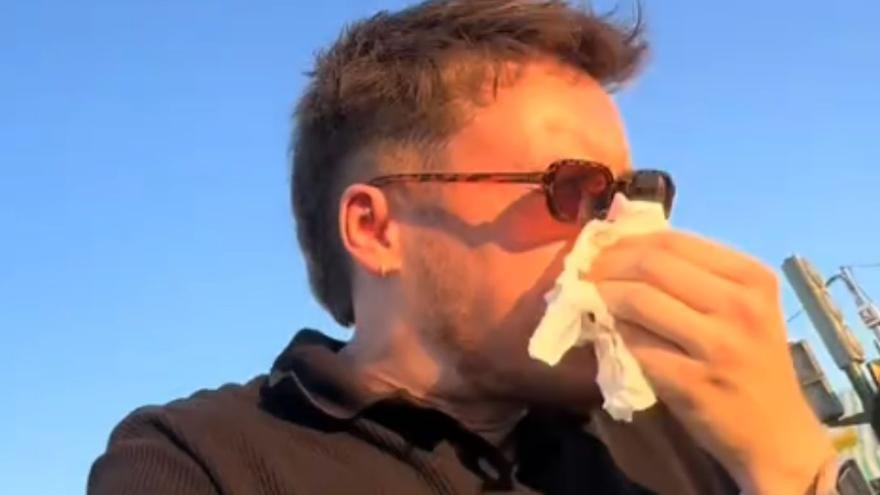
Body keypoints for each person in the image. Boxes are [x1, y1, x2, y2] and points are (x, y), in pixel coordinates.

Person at [88, 1, 842, 494]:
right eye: (573, 188)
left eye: (631, 193)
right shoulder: (200, 460)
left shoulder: (680, 439)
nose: (617, 229)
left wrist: (792, 462)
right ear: (375, 229)